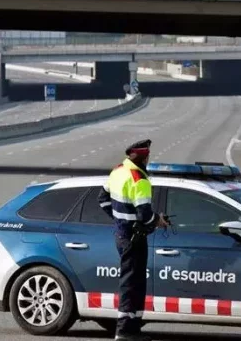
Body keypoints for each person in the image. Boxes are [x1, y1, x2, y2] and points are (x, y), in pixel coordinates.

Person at [98, 139, 169, 341]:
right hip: (134, 237)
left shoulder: (118, 171)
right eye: (148, 157)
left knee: (135, 281)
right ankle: (124, 331)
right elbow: (145, 215)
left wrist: (120, 220)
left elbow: (102, 200)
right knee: (131, 283)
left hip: (122, 235)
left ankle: (133, 328)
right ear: (143, 158)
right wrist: (159, 221)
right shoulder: (139, 180)